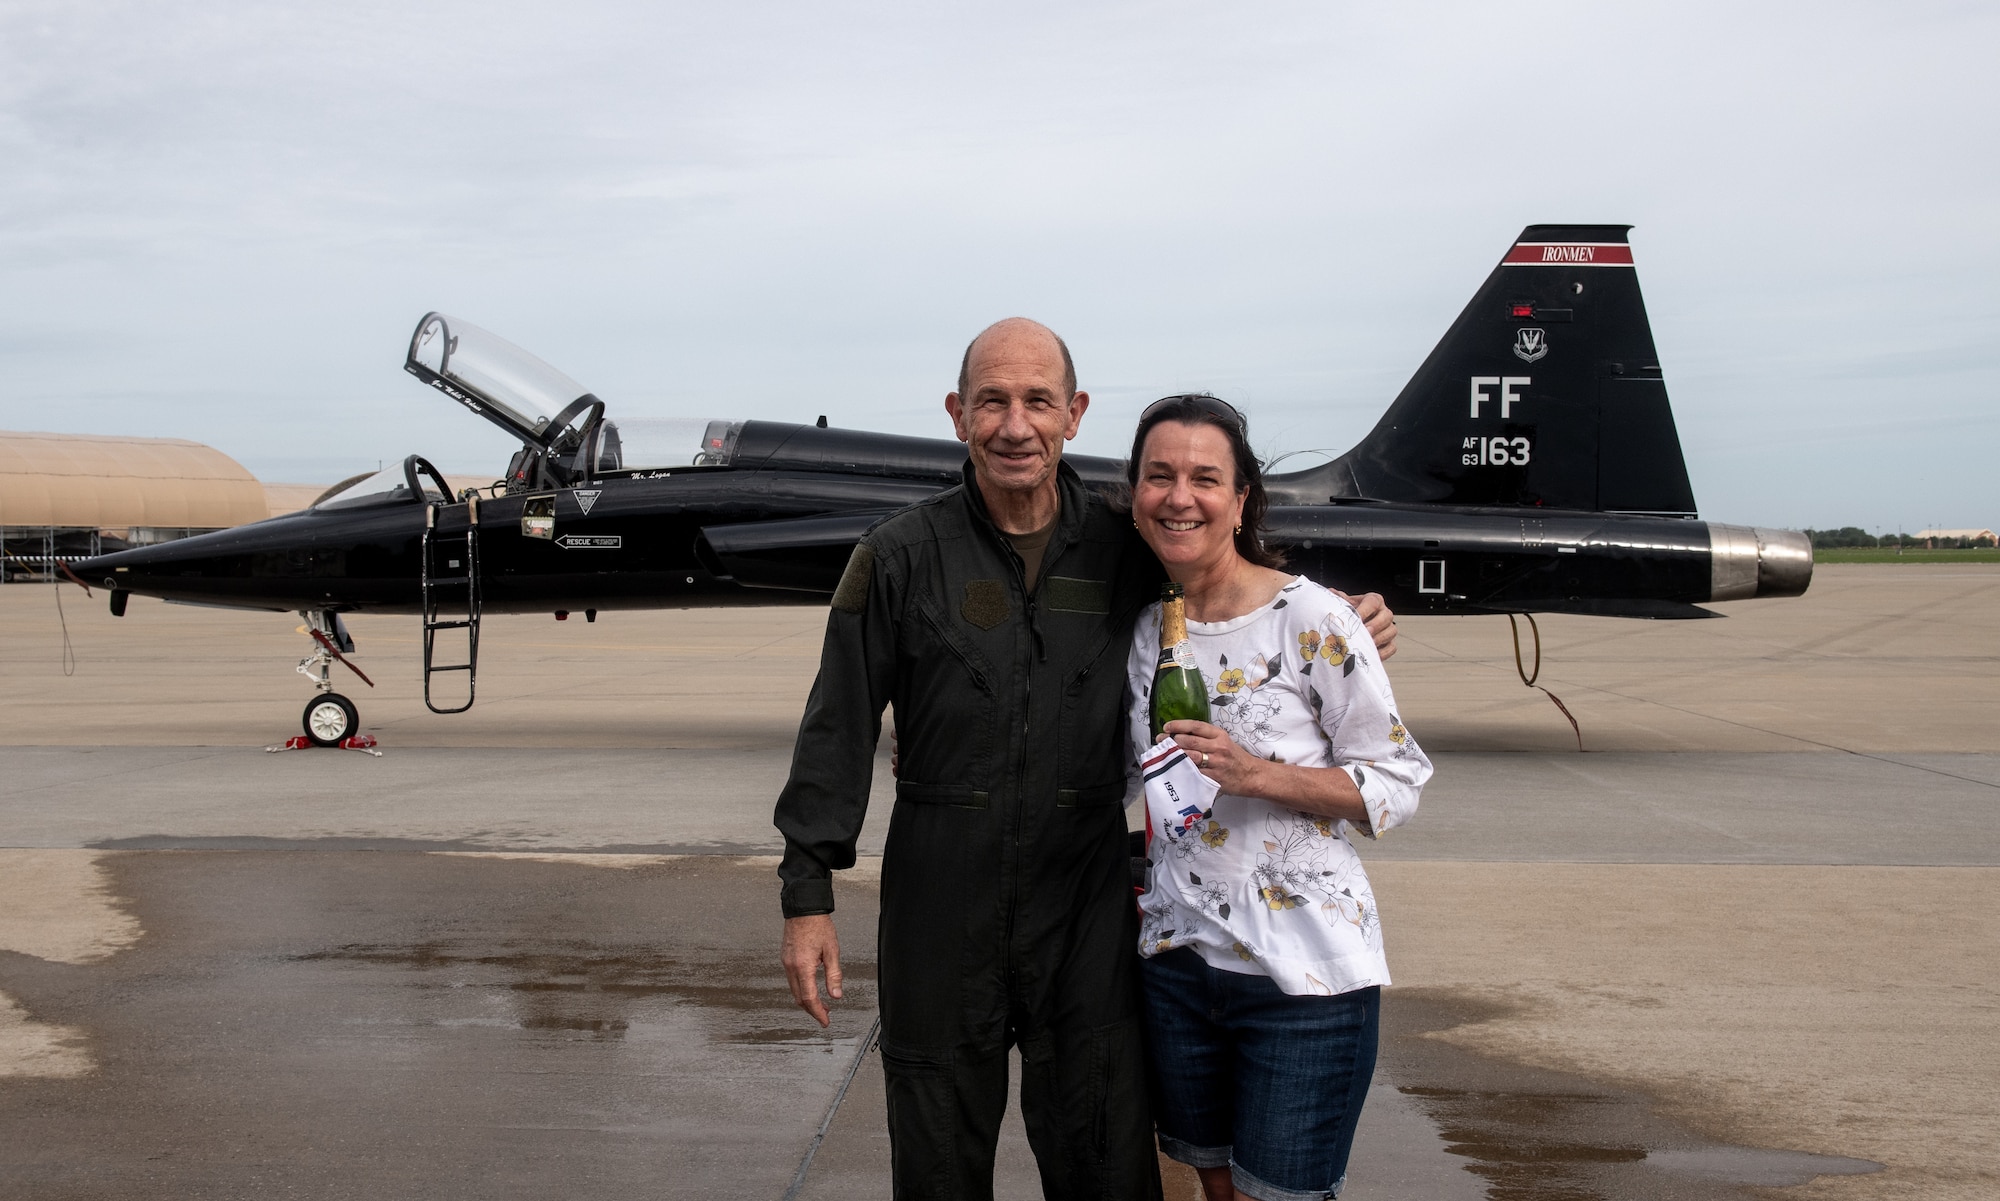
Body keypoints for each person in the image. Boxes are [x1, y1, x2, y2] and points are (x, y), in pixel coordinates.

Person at [773, 322, 1397, 1200]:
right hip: (939, 907)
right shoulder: (900, 556)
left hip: (1085, 910)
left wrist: (1343, 609)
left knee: (1104, 1158)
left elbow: (1228, 574)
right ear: (958, 415)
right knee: (937, 1160)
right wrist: (808, 893)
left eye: (1037, 401)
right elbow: (834, 727)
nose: (1015, 425)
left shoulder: (1127, 550)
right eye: (992, 401)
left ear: (1074, 413)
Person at [1123, 395, 1431, 1201]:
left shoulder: (1314, 618)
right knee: (1217, 1188)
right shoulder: (1145, 630)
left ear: (1241, 498)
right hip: (1179, 964)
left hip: (1303, 974)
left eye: (1204, 477)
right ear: (1133, 495)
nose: (1179, 496)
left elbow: (1397, 783)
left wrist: (1258, 772)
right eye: (1159, 475)